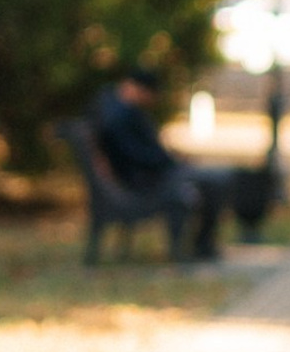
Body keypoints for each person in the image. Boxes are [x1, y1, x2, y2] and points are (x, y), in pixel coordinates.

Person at [87, 67, 232, 259]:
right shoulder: (119, 116)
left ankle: (203, 245)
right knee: (214, 181)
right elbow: (137, 155)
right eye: (150, 94)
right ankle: (202, 246)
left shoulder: (116, 108)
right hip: (143, 182)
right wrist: (171, 162)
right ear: (139, 89)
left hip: (148, 176)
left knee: (213, 179)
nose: (151, 101)